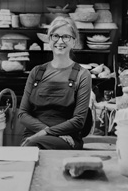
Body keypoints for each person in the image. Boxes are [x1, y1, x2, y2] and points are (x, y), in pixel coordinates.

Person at [18, 16, 92, 150]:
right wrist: (45, 131)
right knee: (32, 147)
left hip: (67, 138)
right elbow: (22, 114)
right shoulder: (36, 72)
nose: (60, 41)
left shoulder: (82, 75)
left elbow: (79, 121)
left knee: (32, 147)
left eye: (66, 36)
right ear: (49, 40)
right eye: (55, 36)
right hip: (33, 135)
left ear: (74, 42)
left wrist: (47, 133)